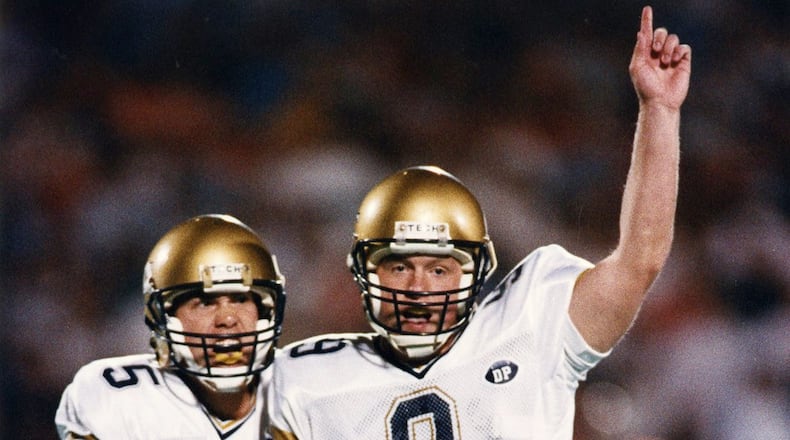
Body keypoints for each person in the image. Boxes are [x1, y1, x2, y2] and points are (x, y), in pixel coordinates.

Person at [266, 5, 691, 439]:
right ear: (365, 272)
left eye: (438, 268)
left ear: (473, 271)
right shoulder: (308, 380)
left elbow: (641, 259)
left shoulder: (528, 329)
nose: (418, 287)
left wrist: (659, 110)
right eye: (399, 266)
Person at [55, 214, 286, 439]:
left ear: (265, 311)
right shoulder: (119, 400)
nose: (227, 318)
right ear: (164, 316)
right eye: (205, 303)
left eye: (240, 299)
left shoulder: (305, 392)